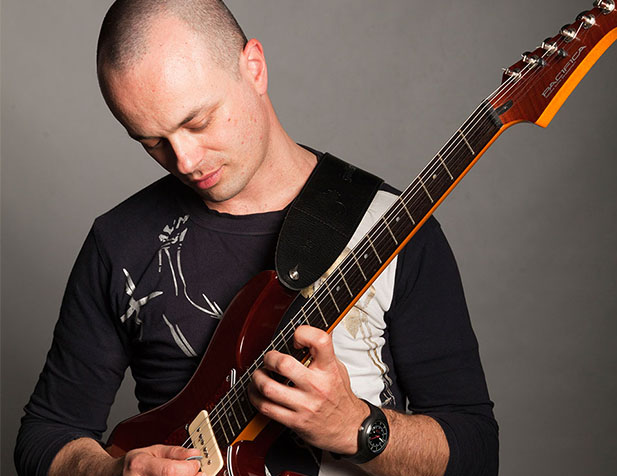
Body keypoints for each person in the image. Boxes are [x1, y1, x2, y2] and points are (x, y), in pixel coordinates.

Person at [15, 1, 498, 475]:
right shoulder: (120, 242)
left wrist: (355, 427)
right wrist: (112, 472)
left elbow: (476, 453)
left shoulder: (392, 227)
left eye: (197, 121)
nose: (184, 161)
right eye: (152, 142)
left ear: (254, 68)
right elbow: (47, 432)